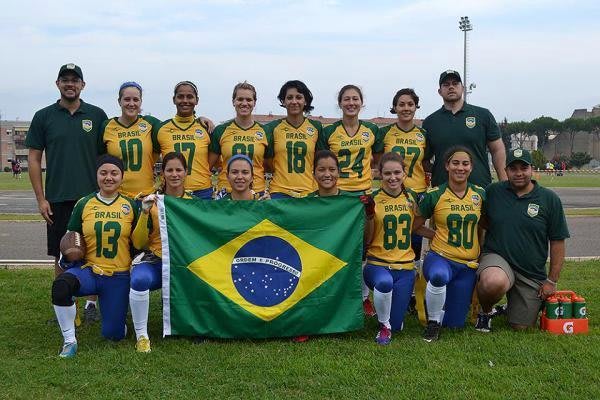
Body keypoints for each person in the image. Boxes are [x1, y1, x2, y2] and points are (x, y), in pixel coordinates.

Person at [26, 63, 108, 322]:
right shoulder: (44, 116)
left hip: (91, 199)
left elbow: (106, 156)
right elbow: (34, 159)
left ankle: (91, 307)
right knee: (61, 254)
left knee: (93, 252)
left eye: (75, 80)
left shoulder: (96, 115)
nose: (70, 84)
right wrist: (41, 199)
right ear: (58, 84)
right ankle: (64, 305)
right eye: (65, 80)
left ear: (83, 85)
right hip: (58, 198)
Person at [50, 155, 138, 358]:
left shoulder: (130, 205)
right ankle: (69, 341)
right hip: (89, 271)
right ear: (96, 175)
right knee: (62, 286)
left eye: (114, 173)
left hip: (118, 276)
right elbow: (71, 236)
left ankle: (117, 321)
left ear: (122, 177)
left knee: (113, 335)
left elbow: (138, 242)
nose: (109, 177)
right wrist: (69, 255)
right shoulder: (84, 203)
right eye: (104, 173)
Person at [475, 148, 570, 332]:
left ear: (531, 169)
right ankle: (485, 313)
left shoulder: (549, 199)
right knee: (493, 282)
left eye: (523, 168)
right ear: (506, 170)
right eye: (513, 168)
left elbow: (557, 241)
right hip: (498, 258)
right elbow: (481, 223)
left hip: (530, 271)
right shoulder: (493, 192)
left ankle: (509, 308)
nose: (519, 173)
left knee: (521, 327)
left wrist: (551, 280)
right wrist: (478, 253)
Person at [363, 152, 433, 345]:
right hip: (378, 264)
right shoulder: (374, 198)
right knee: (384, 285)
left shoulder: (411, 197)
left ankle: (390, 321)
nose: (392, 177)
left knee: (397, 324)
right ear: (379, 174)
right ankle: (383, 326)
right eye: (387, 173)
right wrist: (369, 216)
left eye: (396, 172)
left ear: (404, 173)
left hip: (405, 268)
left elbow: (416, 227)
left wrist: (439, 237)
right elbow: (367, 239)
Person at [417, 146, 485, 342]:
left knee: (455, 324)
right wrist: (436, 235)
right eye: (455, 163)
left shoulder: (479, 194)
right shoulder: (435, 194)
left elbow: (485, 224)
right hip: (441, 258)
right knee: (439, 276)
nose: (460, 168)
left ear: (471, 167)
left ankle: (441, 308)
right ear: (447, 166)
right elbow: (416, 226)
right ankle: (433, 323)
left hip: (467, 265)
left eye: (465, 163)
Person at [129, 152, 193, 352]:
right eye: (169, 170)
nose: (174, 174)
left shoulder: (194, 203)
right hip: (157, 261)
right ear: (161, 173)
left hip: (184, 263)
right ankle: (142, 335)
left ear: (186, 172)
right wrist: (144, 213)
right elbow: (139, 242)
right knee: (139, 280)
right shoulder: (154, 201)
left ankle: (196, 326)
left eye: (178, 170)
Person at [423, 70, 506, 188]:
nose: (451, 87)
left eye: (455, 83)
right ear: (439, 91)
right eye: (446, 85)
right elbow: (424, 159)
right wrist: (440, 171)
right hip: (442, 193)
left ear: (462, 88)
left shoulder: (483, 115)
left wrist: (504, 182)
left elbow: (497, 149)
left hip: (479, 189)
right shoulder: (430, 122)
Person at [380, 88, 429, 261]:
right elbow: (378, 162)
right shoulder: (385, 133)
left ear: (416, 107)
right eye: (401, 104)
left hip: (417, 192)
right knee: (391, 237)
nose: (406, 108)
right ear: (394, 107)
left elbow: (426, 162)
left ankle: (412, 279)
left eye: (410, 104)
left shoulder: (423, 135)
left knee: (414, 239)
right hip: (392, 192)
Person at [210, 82, 273, 196]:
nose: (244, 103)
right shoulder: (221, 130)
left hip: (256, 192)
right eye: (240, 99)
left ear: (254, 103)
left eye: (249, 100)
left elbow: (270, 166)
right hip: (227, 192)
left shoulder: (265, 131)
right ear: (233, 101)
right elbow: (210, 164)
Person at [99, 82, 161, 199]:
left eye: (136, 100)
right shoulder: (107, 126)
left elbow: (173, 129)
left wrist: (198, 119)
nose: (131, 103)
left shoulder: (151, 123)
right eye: (127, 99)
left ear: (141, 101)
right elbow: (100, 159)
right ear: (119, 101)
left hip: (146, 195)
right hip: (117, 197)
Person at [317, 84, 382, 195]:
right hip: (336, 191)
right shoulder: (329, 131)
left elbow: (378, 162)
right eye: (346, 99)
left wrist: (371, 174)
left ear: (361, 103)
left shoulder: (372, 129)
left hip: (364, 191)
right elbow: (321, 164)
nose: (351, 103)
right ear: (340, 103)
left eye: (355, 99)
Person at [264, 80, 322, 198]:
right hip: (280, 191)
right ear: (283, 101)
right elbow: (268, 162)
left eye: (299, 97)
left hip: (309, 190)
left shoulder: (316, 127)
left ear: (305, 101)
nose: (294, 101)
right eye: (289, 97)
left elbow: (320, 160)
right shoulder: (272, 128)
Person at [157, 81, 214, 199]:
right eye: (180, 96)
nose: (185, 100)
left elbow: (213, 161)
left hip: (202, 192)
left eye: (190, 97)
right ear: (174, 99)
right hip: (172, 193)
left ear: (197, 100)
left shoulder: (206, 128)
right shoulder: (161, 129)